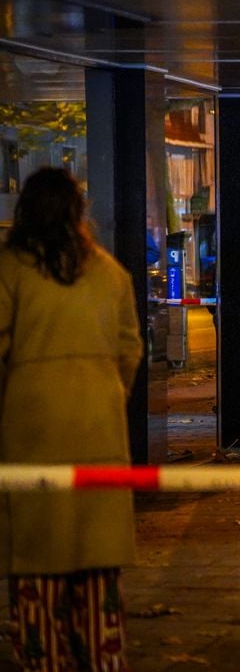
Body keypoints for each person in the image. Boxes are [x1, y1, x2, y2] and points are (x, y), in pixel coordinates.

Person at [0, 167, 143, 670]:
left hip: (31, 428)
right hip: (99, 426)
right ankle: (101, 657)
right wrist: (105, 394)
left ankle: (46, 660)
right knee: (97, 567)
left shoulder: (10, 269)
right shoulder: (108, 272)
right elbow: (130, 348)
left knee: (39, 570)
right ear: (78, 213)